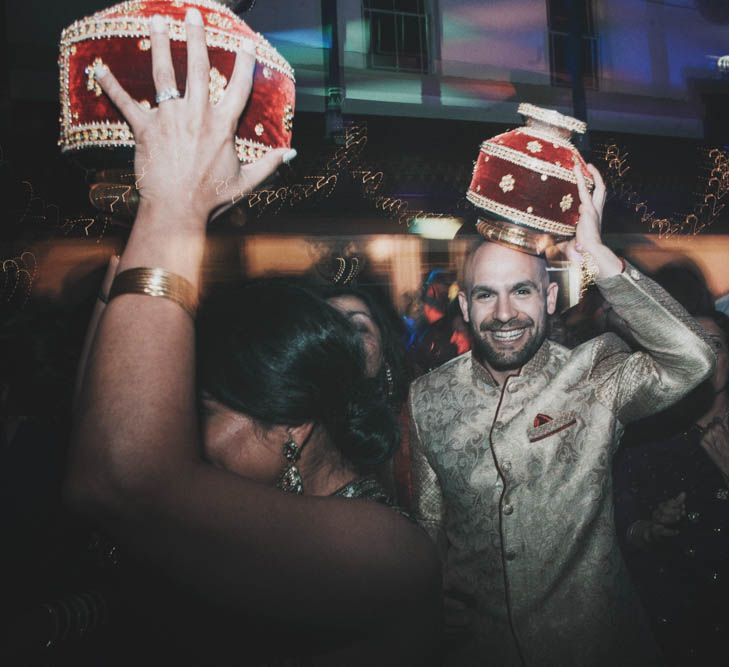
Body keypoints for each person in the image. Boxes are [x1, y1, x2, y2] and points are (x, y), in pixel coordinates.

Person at [65, 9, 439, 665]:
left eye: (205, 408)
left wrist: (175, 209)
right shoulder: (237, 508)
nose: (180, 427)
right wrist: (150, 222)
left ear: (290, 424)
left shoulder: (385, 549)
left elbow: (119, 479)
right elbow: (101, 430)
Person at [407, 161, 716, 665]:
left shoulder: (595, 372)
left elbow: (694, 358)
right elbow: (429, 525)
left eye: (522, 290)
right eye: (487, 294)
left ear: (550, 297)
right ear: (465, 306)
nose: (504, 313)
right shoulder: (427, 397)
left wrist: (597, 255)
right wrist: (428, 596)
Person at [613, 310, 729, 666]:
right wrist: (649, 529)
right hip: (671, 629)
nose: (706, 358)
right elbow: (621, 525)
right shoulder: (645, 434)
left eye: (716, 346)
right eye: (694, 347)